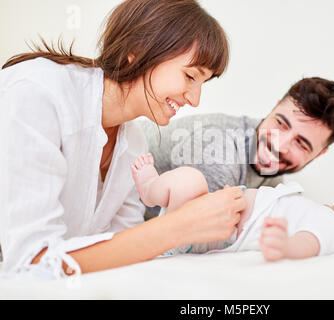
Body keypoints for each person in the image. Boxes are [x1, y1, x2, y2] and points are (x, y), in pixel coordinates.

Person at [0, 0, 247, 279]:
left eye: (203, 83)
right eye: (190, 76)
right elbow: (30, 264)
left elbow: (122, 253)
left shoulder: (134, 144)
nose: (195, 99)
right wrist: (179, 227)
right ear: (137, 50)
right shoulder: (36, 94)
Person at [139, 77, 334, 219]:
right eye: (281, 123)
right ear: (274, 107)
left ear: (319, 154)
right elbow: (196, 235)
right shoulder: (218, 152)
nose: (278, 145)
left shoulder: (269, 172)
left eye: (301, 143)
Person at [131, 154, 334, 259]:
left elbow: (311, 243)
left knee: (188, 181)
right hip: (208, 212)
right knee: (189, 182)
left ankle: (151, 192)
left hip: (209, 230)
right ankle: (152, 191)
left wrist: (286, 246)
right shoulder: (322, 210)